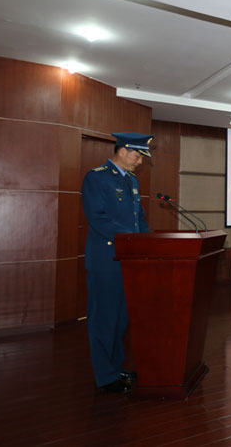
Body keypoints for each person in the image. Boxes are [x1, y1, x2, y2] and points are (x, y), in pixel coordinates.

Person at [81, 132, 154, 393]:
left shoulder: (131, 181)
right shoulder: (97, 177)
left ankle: (115, 365)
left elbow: (139, 219)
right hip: (106, 260)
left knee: (121, 318)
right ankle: (105, 376)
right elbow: (97, 218)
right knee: (104, 318)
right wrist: (131, 240)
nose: (140, 162)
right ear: (122, 151)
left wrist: (146, 243)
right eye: (137, 155)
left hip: (128, 259)